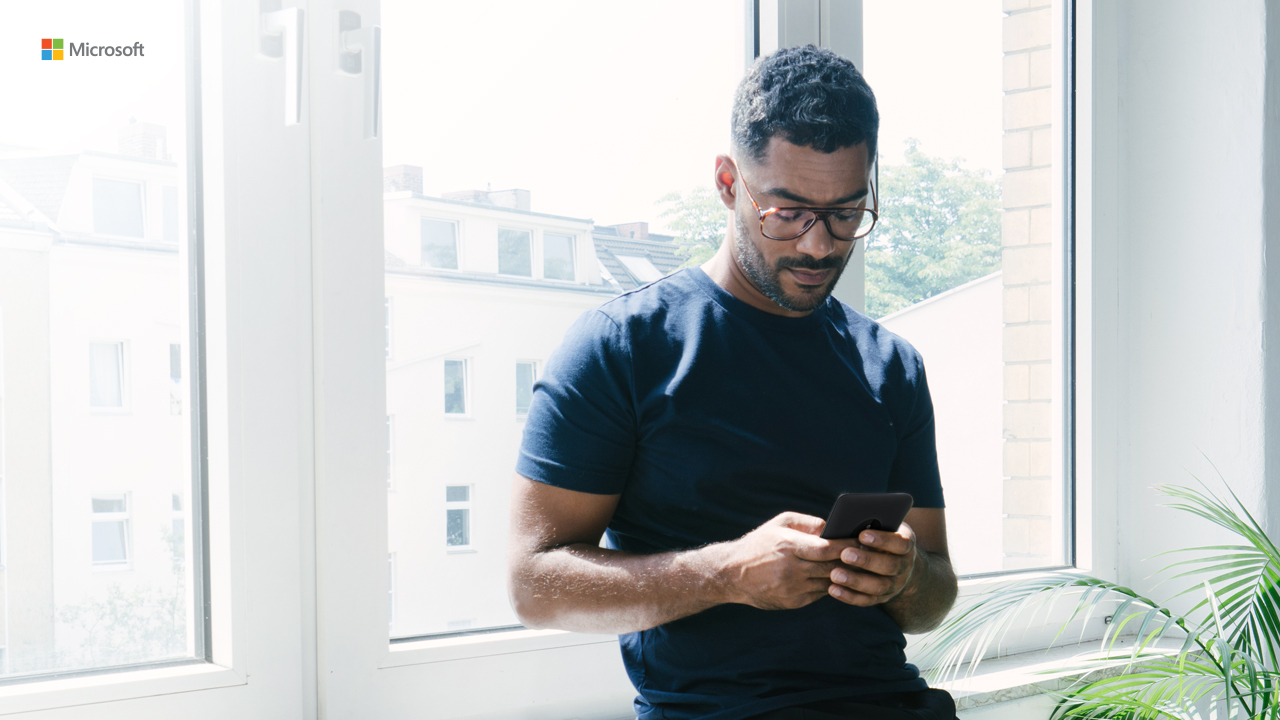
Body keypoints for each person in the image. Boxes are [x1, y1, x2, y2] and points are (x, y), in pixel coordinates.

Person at [507, 45, 959, 720]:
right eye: (787, 211)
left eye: (845, 213)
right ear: (727, 183)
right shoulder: (624, 346)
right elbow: (532, 586)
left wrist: (904, 575)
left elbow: (934, 598)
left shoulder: (891, 364)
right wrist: (725, 575)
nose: (817, 244)